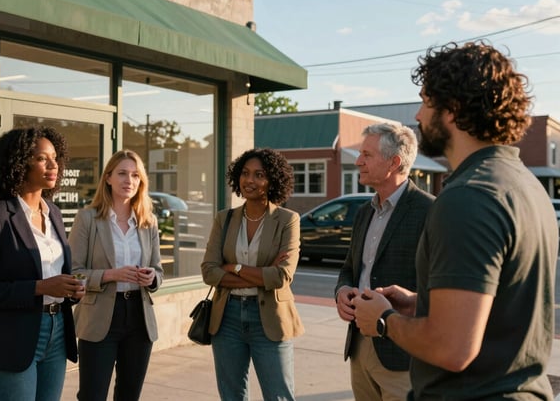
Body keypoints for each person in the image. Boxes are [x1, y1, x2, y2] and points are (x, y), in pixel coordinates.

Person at [353, 41, 558, 399]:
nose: (418, 115)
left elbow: (452, 348)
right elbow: (500, 308)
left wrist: (385, 321)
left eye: (425, 101)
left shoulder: (468, 196)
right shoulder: (525, 185)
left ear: (453, 108)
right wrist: (424, 303)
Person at [0, 127, 85, 401]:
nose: (53, 165)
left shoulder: (53, 212)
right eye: (42, 158)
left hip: (57, 332)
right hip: (11, 340)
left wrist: (71, 290)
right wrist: (39, 287)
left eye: (55, 158)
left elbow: (56, 273)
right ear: (19, 163)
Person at [335, 123, 434, 401]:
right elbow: (349, 269)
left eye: (367, 154)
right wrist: (342, 291)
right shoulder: (364, 212)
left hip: (403, 355)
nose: (358, 162)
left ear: (394, 162)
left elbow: (442, 289)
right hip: (359, 346)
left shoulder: (431, 211)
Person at [201, 148, 304, 401]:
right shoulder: (224, 219)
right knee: (231, 395)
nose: (250, 180)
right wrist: (260, 275)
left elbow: (281, 277)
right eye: (245, 173)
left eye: (259, 174)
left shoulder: (287, 220)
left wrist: (233, 267)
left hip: (269, 318)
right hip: (227, 318)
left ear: (273, 180)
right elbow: (208, 271)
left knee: (278, 395)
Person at [68, 149, 164, 401]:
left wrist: (151, 277)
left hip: (139, 317)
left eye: (135, 175)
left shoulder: (148, 221)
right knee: (92, 395)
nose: (129, 180)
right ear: (108, 178)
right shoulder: (87, 218)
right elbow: (72, 275)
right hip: (99, 317)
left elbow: (159, 271)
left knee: (129, 395)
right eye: (122, 173)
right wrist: (110, 274)